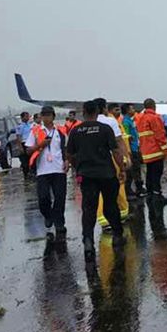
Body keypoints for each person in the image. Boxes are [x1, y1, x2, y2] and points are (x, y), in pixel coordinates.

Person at [66, 100, 125, 255]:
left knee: (89, 208)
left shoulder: (75, 131)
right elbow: (116, 151)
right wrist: (122, 168)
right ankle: (117, 235)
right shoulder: (105, 129)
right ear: (98, 111)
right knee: (111, 205)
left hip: (86, 175)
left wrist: (77, 166)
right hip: (107, 173)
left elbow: (69, 154)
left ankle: (88, 240)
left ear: (84, 112)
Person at [26, 106, 69, 241]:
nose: (46, 118)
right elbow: (28, 151)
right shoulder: (35, 131)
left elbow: (66, 148)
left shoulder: (61, 131)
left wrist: (67, 160)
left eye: (48, 115)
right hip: (43, 171)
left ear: (53, 116)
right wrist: (41, 145)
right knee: (43, 198)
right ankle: (48, 215)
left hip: (58, 169)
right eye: (43, 115)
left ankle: (59, 222)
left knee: (60, 197)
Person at [95, 98, 130, 223]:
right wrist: (126, 158)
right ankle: (122, 212)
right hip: (111, 158)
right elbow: (118, 141)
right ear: (104, 108)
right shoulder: (110, 121)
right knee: (119, 183)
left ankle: (103, 219)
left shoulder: (88, 123)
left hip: (94, 161)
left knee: (99, 189)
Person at [135, 98, 167, 204]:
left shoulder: (140, 118)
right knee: (156, 174)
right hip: (155, 151)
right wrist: (166, 150)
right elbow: (160, 135)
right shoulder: (154, 118)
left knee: (150, 173)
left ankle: (150, 194)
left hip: (146, 152)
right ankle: (157, 195)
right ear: (153, 106)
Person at [120, 103, 146, 198]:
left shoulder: (131, 120)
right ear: (127, 111)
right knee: (133, 170)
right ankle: (131, 189)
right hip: (132, 149)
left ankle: (139, 187)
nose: (134, 110)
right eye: (132, 109)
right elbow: (127, 137)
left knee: (137, 168)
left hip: (136, 147)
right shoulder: (126, 122)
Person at [15, 111, 34, 180]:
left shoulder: (30, 125)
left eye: (28, 116)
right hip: (24, 143)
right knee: (25, 161)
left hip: (31, 144)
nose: (28, 118)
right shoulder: (20, 126)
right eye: (26, 116)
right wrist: (20, 147)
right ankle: (26, 175)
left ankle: (32, 173)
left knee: (32, 159)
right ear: (22, 117)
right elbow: (18, 137)